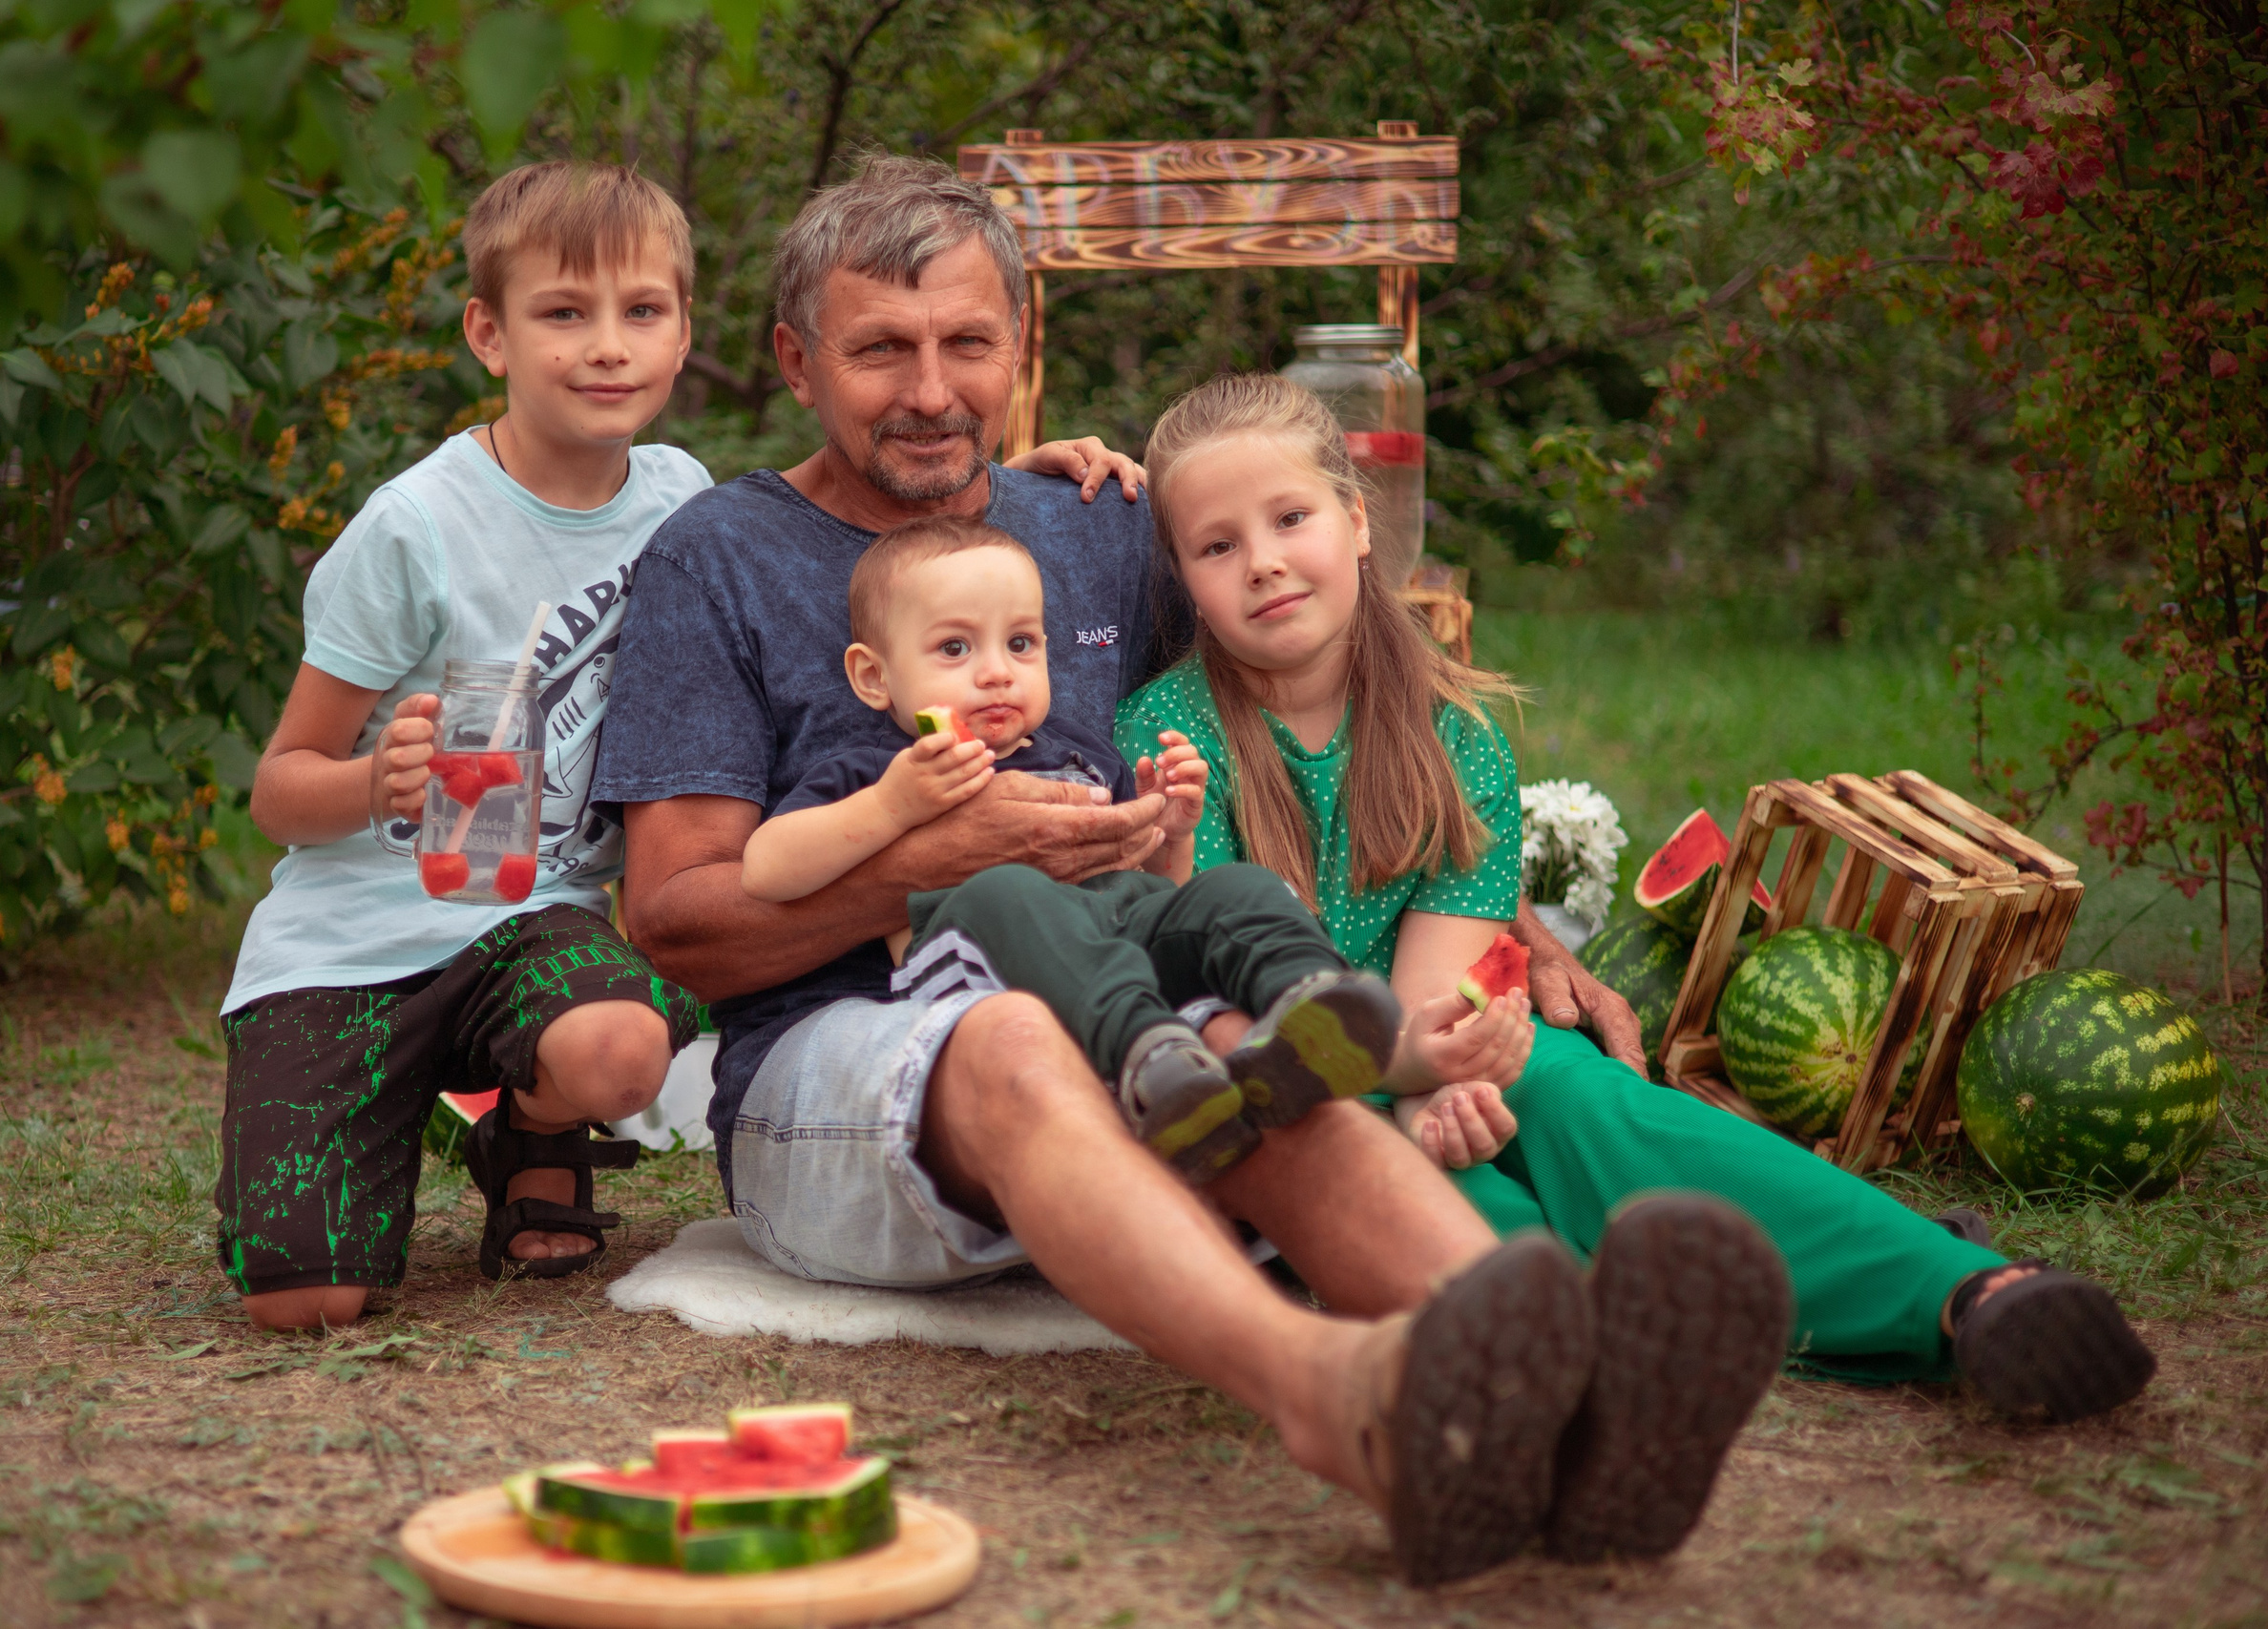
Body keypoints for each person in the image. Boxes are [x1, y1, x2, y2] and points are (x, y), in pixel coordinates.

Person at [599, 152, 1795, 1580]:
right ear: (798, 360)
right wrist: (945, 852)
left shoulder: (1098, 525)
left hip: (1129, 994)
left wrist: (1498, 906)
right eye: (881, 350)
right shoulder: (718, 558)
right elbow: (674, 922)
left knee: (1252, 1042)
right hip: (846, 1061)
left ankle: (1584, 1401)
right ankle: (1338, 1399)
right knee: (1013, 1032)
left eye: (968, 343)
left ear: (1021, 349)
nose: (930, 389)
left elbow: (1327, 669)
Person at [218, 160, 1165, 1333]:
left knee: (618, 1049)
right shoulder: (434, 528)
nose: (606, 349)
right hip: (363, 929)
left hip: (536, 911)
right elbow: (281, 783)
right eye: (563, 314)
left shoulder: (672, 490)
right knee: (309, 1298)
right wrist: (374, 780)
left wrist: (1006, 476)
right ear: (488, 333)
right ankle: (450, 1121)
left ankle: (537, 1120)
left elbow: (902, 501)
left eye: (642, 314)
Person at [1114, 370, 2160, 1431]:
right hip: (1297, 1082)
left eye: (1290, 519)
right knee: (1448, 1199)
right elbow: (1230, 983)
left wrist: (1446, 1076)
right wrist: (1419, 1100)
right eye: (1217, 545)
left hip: (1426, 1041)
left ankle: (1961, 1292)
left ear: (1357, 520)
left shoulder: (1454, 742)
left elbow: (1440, 987)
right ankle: (1601, 1364)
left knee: (1591, 1102)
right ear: (1184, 578)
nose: (1265, 563)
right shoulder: (1170, 744)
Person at [742, 512, 1408, 1182]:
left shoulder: (1082, 754)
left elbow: (1153, 889)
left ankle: (1309, 1001)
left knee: (1237, 887)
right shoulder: (880, 770)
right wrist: (893, 806)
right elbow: (767, 868)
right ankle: (1151, 1060)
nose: (998, 673)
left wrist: (1168, 833)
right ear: (873, 676)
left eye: (1022, 643)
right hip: (984, 971)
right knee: (1011, 889)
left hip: (1119, 941)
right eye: (954, 649)